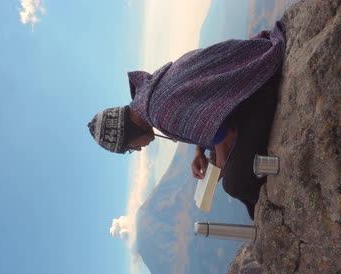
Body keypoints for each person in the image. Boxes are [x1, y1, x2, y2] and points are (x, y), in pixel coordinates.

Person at [87, 22, 285, 219]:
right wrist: (200, 151)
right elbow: (208, 109)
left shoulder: (161, 114)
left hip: (258, 88)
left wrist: (220, 168)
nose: (138, 149)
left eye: (130, 147)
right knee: (220, 160)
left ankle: (283, 203)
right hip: (251, 67)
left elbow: (227, 136)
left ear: (129, 133)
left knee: (234, 183)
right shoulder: (152, 94)